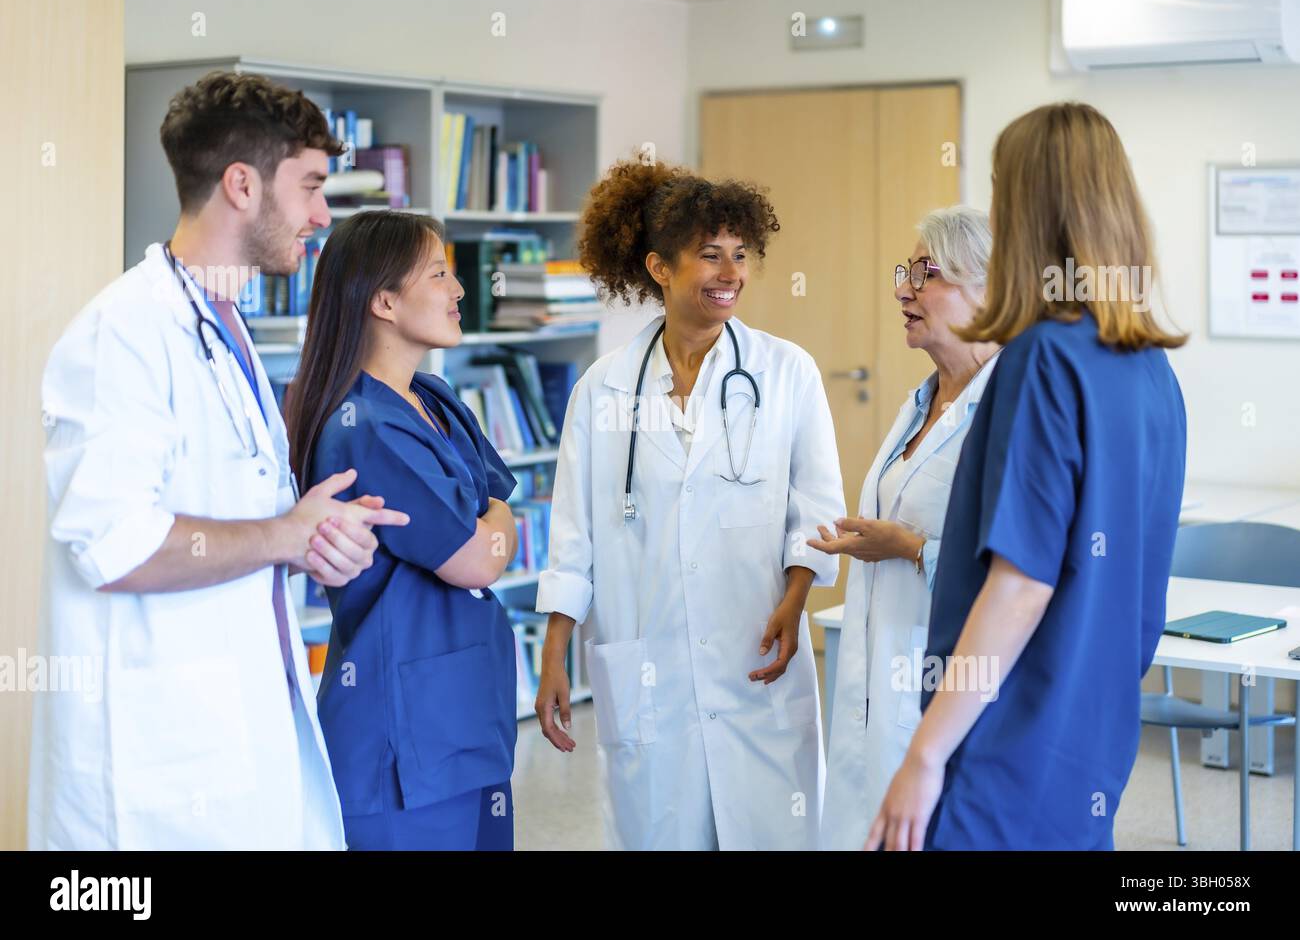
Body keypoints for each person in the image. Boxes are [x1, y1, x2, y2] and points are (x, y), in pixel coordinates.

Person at [31, 71, 408, 850]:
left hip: (243, 736)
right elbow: (118, 543)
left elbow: (244, 526)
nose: (321, 214)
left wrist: (316, 544)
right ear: (242, 184)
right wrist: (284, 537)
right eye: (308, 185)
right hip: (150, 778)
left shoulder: (223, 328)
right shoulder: (125, 335)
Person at [867, 102, 1187, 850]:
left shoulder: (1043, 359)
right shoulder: (1150, 370)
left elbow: (1020, 584)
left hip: (1004, 739)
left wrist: (925, 753)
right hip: (1090, 740)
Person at [533, 159, 845, 850]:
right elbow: (573, 534)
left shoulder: (786, 372)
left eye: (741, 254)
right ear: (660, 267)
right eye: (709, 256)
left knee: (771, 829)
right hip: (651, 664)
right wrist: (555, 650)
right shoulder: (603, 388)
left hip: (756, 649)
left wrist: (797, 600)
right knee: (659, 830)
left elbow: (816, 509)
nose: (730, 272)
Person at [285, 210, 520, 850]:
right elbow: (477, 558)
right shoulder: (365, 425)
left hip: (468, 712)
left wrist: (491, 528)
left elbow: (501, 524)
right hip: (401, 737)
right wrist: (491, 526)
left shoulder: (435, 398)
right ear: (385, 300)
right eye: (440, 273)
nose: (460, 288)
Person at [813, 206, 1000, 851]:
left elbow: (1017, 573)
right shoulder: (923, 401)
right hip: (874, 684)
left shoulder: (1007, 408)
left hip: (946, 692)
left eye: (927, 273)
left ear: (990, 289)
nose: (902, 289)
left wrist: (911, 548)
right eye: (906, 271)